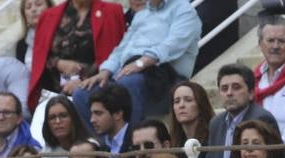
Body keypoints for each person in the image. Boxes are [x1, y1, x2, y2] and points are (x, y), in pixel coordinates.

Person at [70, 0, 202, 124]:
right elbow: (121, 49)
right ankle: (109, 144)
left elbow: (172, 45)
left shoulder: (184, 10)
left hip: (167, 80)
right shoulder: (142, 14)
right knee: (81, 93)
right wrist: (105, 72)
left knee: (128, 82)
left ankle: (131, 144)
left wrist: (140, 63)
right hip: (130, 74)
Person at [27, 0, 125, 106]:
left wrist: (83, 81)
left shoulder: (111, 11)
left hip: (97, 89)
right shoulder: (48, 16)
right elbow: (40, 58)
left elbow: (117, 54)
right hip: (55, 93)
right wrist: (58, 63)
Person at [203, 63, 279, 158]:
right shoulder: (215, 123)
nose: (229, 93)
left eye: (236, 87)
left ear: (251, 93)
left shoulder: (261, 119)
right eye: (224, 88)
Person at [40, 94, 91, 158]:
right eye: (52, 118)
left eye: (63, 116)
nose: (58, 121)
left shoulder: (91, 147)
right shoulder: (45, 154)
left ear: (73, 118)